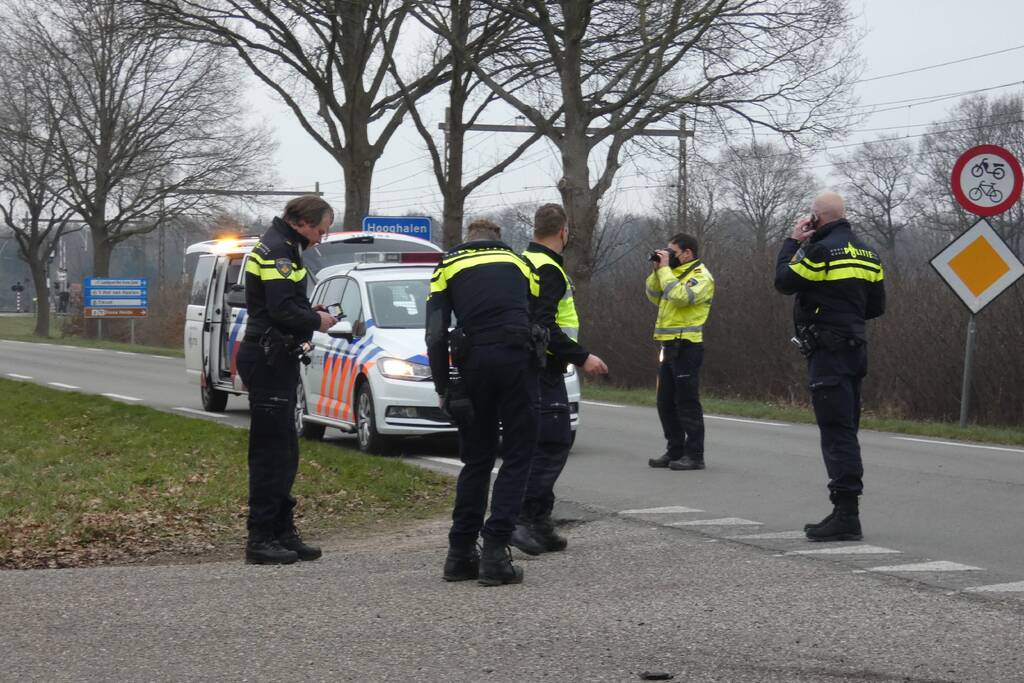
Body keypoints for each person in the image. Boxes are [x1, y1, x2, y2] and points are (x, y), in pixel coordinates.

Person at [426, 219, 540, 586]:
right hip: (515, 361)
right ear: (498, 240)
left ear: (468, 241)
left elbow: (434, 335)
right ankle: (495, 553)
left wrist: (445, 387)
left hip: (472, 362)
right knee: (519, 454)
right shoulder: (523, 264)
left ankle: (459, 554)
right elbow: (538, 319)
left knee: (477, 458)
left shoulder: (446, 267)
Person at [774, 191, 885, 542]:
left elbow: (784, 281)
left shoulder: (821, 251)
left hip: (829, 351)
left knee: (836, 433)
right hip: (856, 349)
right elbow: (876, 306)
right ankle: (844, 511)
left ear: (816, 218)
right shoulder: (869, 252)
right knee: (847, 427)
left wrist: (793, 242)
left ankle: (846, 515)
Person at [235, 195, 337, 564]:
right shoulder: (279, 251)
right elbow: (278, 309)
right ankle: (260, 538)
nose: (322, 239)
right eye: (321, 230)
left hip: (276, 354)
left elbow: (280, 304)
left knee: (287, 451)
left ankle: (282, 530)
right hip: (268, 356)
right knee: (271, 453)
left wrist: (308, 311)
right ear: (302, 222)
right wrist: (316, 321)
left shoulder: (285, 246)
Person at [510, 203, 608, 556]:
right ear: (563, 232)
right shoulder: (548, 267)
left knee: (541, 443)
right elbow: (545, 325)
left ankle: (540, 521)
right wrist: (583, 357)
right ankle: (521, 519)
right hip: (543, 366)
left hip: (528, 365)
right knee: (552, 445)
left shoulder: (523, 261)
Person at [646, 234, 715, 471]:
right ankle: (674, 450)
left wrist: (665, 271)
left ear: (687, 253)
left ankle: (695, 455)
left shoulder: (701, 276)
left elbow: (682, 298)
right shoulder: (672, 274)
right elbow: (654, 296)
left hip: (688, 346)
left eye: (672, 252)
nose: (668, 255)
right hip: (668, 345)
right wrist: (657, 271)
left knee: (686, 402)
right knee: (665, 402)